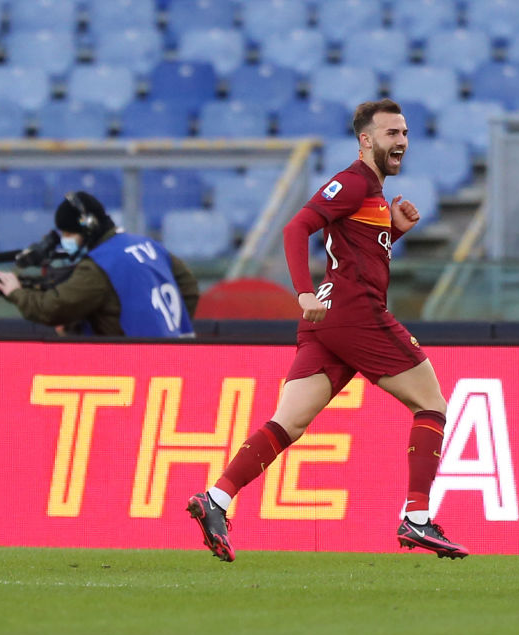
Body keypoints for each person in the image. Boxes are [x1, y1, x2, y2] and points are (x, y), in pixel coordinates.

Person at [186, 98, 468, 562]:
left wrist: (393, 232)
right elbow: (296, 229)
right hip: (356, 314)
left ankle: (215, 499)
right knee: (431, 404)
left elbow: (355, 253)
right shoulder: (353, 182)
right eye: (392, 133)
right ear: (366, 140)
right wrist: (302, 292)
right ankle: (417, 517)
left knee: (289, 423)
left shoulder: (370, 191)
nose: (401, 141)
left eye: (404, 133)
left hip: (329, 321)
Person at [0, 191, 199, 337]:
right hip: (174, 354)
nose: (65, 240)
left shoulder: (99, 265)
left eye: (69, 233)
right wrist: (169, 329)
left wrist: (16, 293)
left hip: (133, 362)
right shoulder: (148, 244)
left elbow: (52, 309)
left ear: (89, 229)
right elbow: (188, 288)